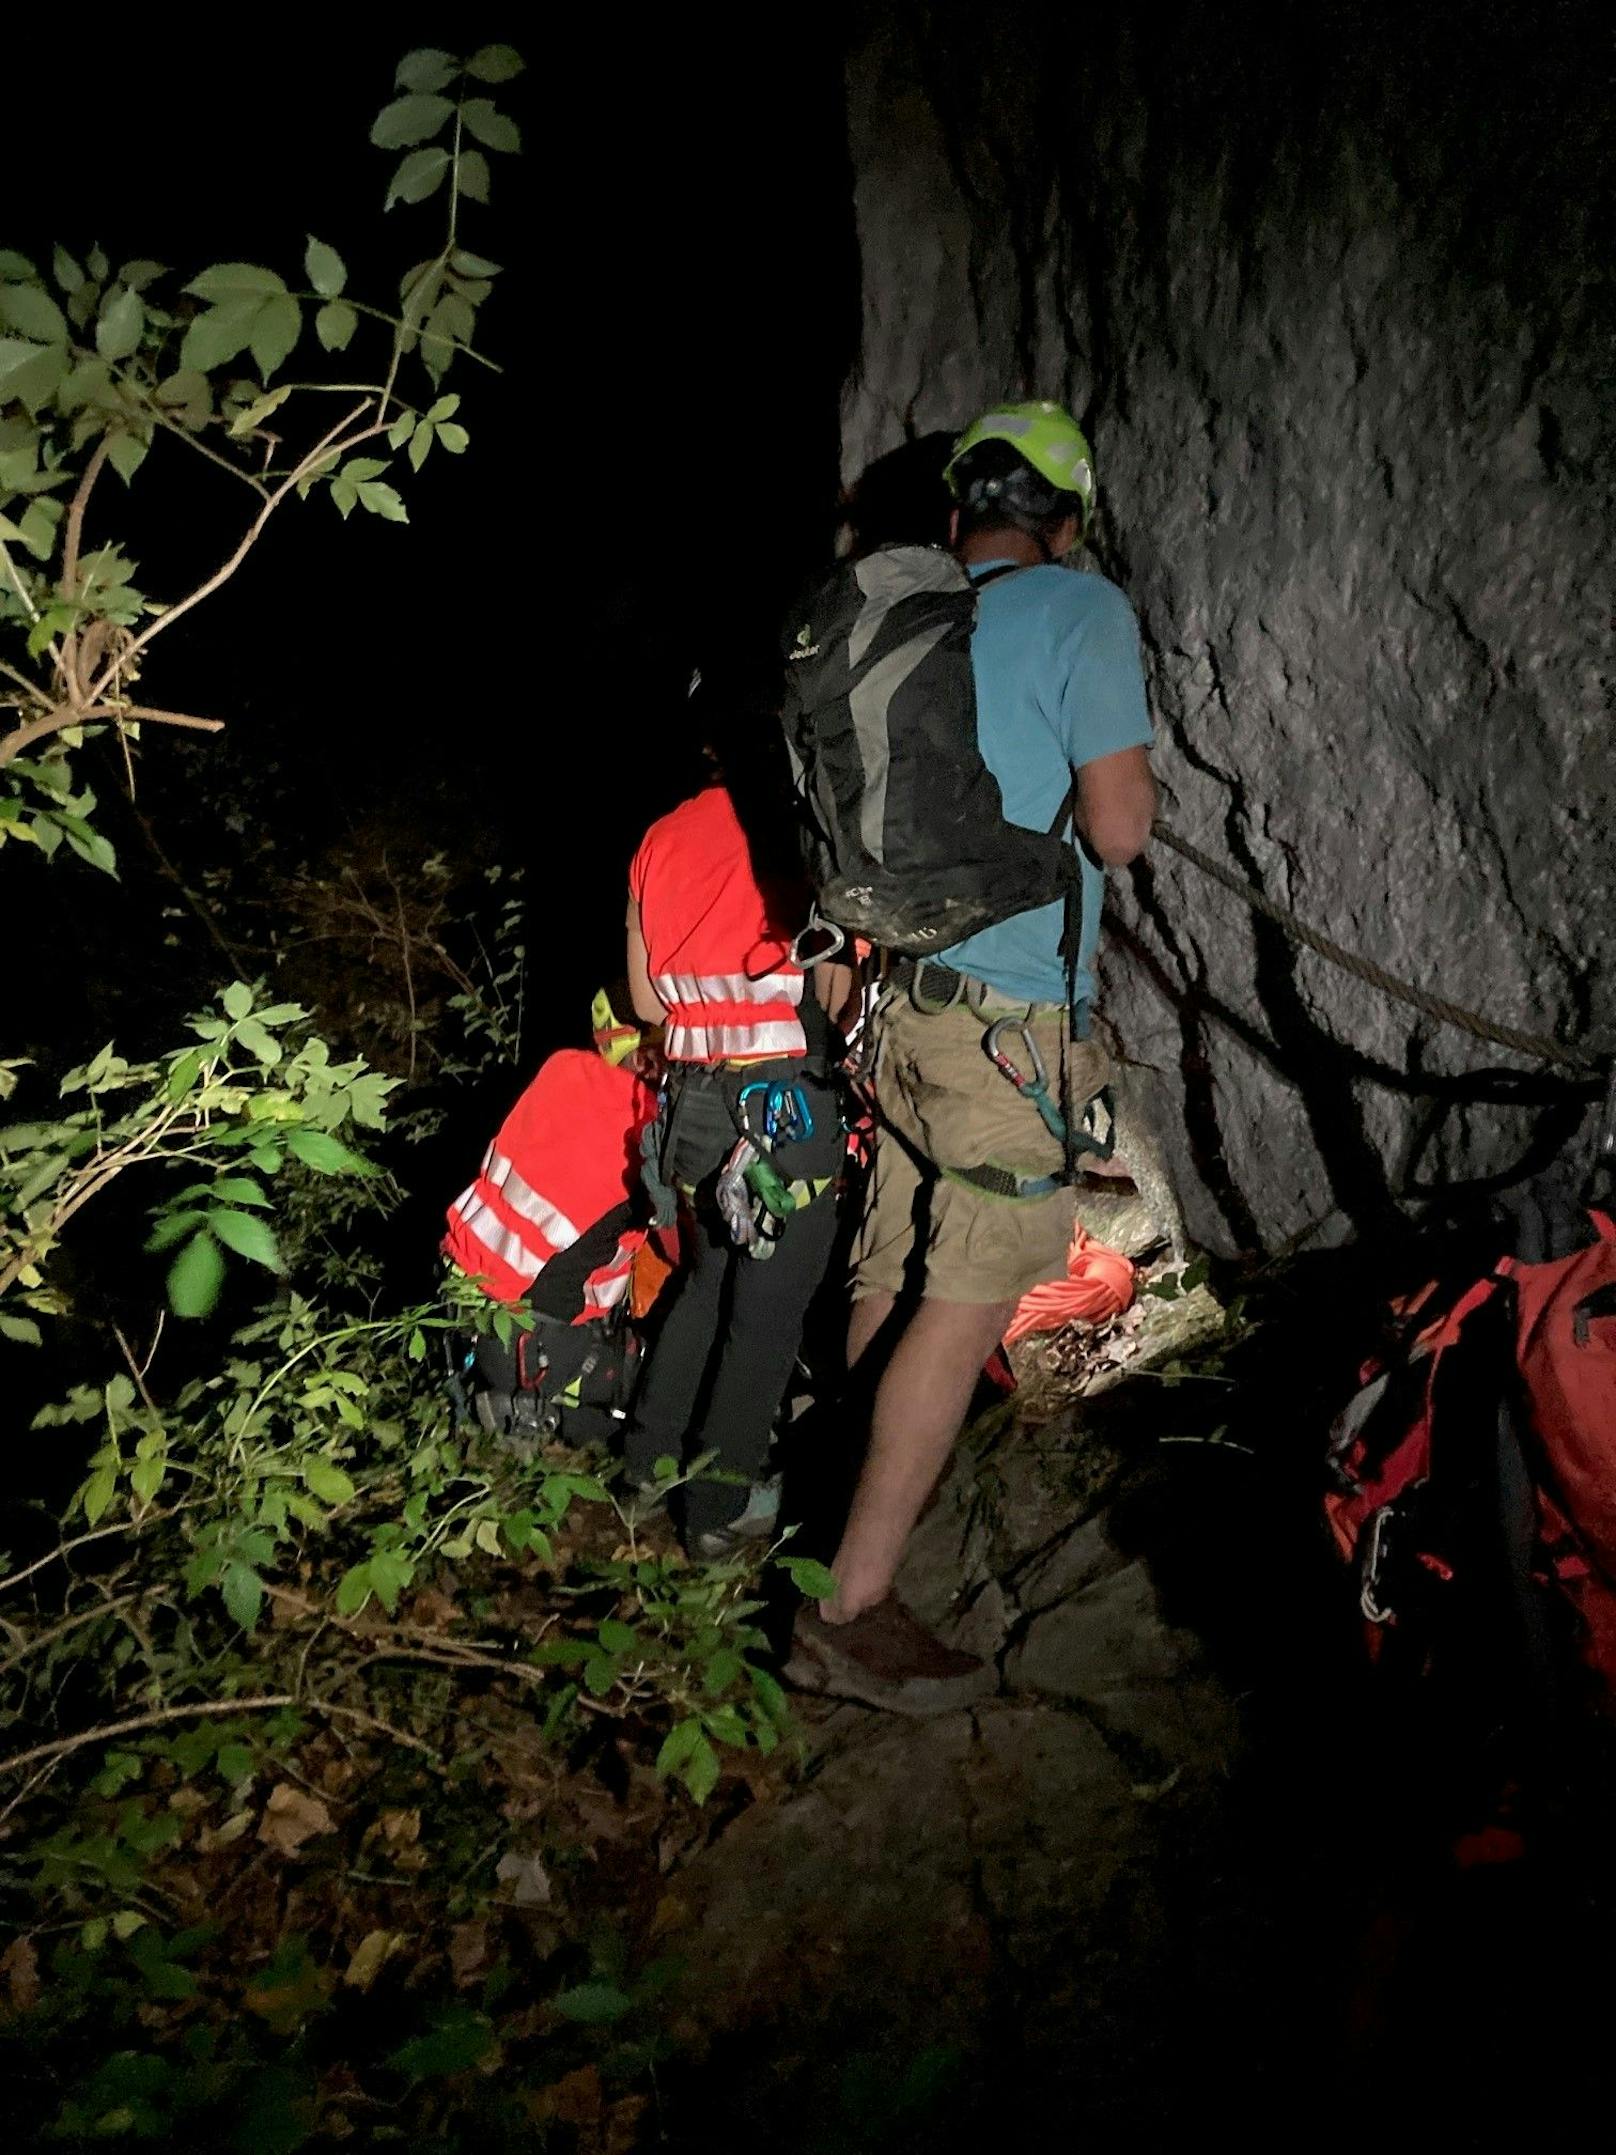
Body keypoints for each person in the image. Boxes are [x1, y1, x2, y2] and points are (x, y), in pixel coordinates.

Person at [788, 400, 1158, 1711]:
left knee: (891, 1268)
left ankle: (829, 1527)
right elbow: (1116, 829)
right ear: (1065, 522)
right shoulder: (1084, 610)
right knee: (977, 1287)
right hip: (1003, 1022)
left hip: (890, 1008)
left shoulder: (905, 614)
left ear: (955, 517)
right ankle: (850, 1604)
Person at [622, 688, 852, 1557]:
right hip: (782, 1104)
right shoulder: (799, 830)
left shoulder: (658, 839)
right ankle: (716, 1513)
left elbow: (647, 998)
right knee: (767, 1311)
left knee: (708, 1280)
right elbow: (833, 985)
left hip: (693, 1105)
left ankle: (645, 1471)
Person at [443, 990, 659, 1441]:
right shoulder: (646, 1121)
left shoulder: (561, 1069)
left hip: (466, 1299)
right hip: (536, 1344)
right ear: (647, 1055)